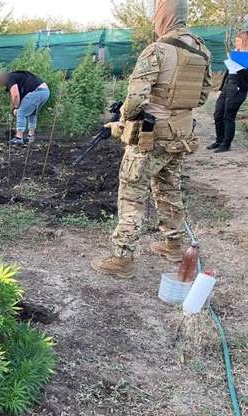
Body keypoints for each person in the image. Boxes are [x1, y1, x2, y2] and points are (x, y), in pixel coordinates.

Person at [91, 0, 212, 279]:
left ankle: (122, 258)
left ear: (163, 15)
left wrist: (123, 119)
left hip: (151, 136)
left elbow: (135, 100)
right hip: (181, 135)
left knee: (132, 192)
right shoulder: (203, 50)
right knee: (169, 189)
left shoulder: (157, 50)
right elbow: (203, 97)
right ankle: (173, 245)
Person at [208, 31, 248, 153]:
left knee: (228, 116)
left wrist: (239, 67)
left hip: (239, 88)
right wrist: (220, 89)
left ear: (244, 41)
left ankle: (226, 144)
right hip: (227, 86)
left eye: (237, 40)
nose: (235, 42)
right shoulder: (236, 53)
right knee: (218, 114)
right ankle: (219, 140)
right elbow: (228, 71)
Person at [0, 71, 50, 145]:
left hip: (37, 92)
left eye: (1, 83)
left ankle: (19, 138)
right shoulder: (16, 76)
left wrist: (16, 108)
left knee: (21, 112)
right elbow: (19, 97)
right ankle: (30, 137)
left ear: (2, 79)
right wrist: (15, 107)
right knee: (32, 114)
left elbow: (15, 96)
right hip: (45, 92)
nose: (3, 85)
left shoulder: (9, 78)